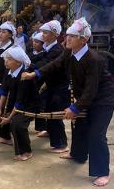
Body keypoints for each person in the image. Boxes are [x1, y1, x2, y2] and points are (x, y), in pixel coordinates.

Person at [22, 17, 114, 187]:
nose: (67, 39)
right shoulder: (68, 53)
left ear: (83, 39)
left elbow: (91, 89)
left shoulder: (94, 59)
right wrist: (35, 74)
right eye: (67, 35)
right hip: (86, 97)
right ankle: (78, 154)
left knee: (96, 134)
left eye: (72, 36)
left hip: (103, 101)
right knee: (79, 126)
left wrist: (75, 107)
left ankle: (102, 171)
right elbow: (54, 65)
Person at [0, 45, 40, 161]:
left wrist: (9, 118)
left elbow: (20, 101)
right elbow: (4, 91)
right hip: (15, 103)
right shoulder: (8, 72)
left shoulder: (24, 76)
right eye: (6, 58)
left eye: (9, 59)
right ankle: (6, 138)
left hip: (29, 106)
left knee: (17, 123)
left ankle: (27, 151)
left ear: (19, 63)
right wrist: (0, 109)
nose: (6, 61)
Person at [33, 20, 69, 153]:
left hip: (59, 87)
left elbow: (46, 64)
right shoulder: (49, 48)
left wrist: (32, 71)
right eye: (42, 32)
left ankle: (61, 144)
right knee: (47, 109)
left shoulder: (57, 50)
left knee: (55, 114)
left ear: (54, 35)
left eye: (45, 33)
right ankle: (49, 131)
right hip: (51, 85)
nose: (42, 35)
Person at [27, 32, 48, 137]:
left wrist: (29, 64)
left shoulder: (44, 54)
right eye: (34, 41)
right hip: (30, 81)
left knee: (41, 105)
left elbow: (40, 66)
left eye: (37, 42)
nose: (34, 44)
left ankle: (42, 127)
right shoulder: (31, 52)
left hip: (40, 81)